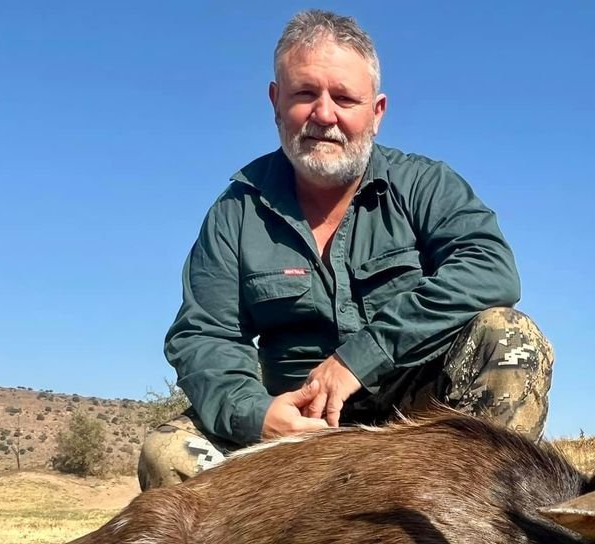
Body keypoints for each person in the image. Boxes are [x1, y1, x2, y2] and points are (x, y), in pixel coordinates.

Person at [138, 9, 552, 490]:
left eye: (344, 98)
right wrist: (259, 416)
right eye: (305, 94)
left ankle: (473, 542)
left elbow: (491, 270)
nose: (324, 115)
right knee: (167, 453)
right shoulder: (236, 210)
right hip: (293, 434)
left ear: (376, 112)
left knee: (511, 339)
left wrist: (360, 357)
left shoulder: (425, 185)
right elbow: (203, 336)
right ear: (275, 101)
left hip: (419, 426)